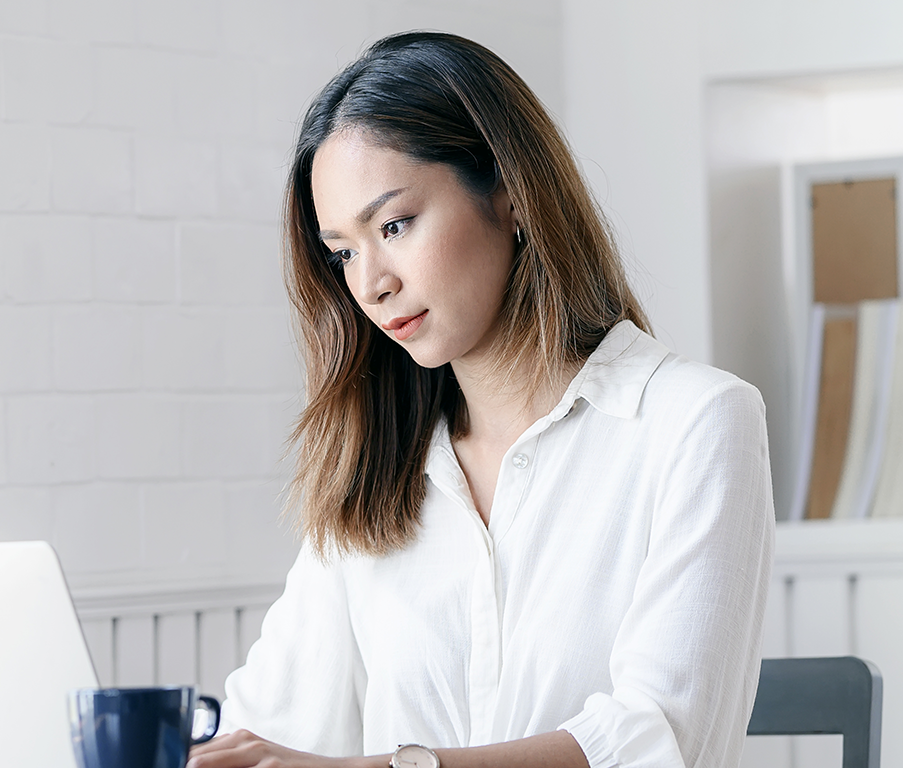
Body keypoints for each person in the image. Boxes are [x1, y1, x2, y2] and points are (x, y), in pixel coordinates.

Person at [187, 31, 774, 768]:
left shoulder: (695, 422)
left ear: (513, 197)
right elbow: (270, 723)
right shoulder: (375, 470)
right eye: (342, 252)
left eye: (393, 225)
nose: (371, 283)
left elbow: (660, 737)